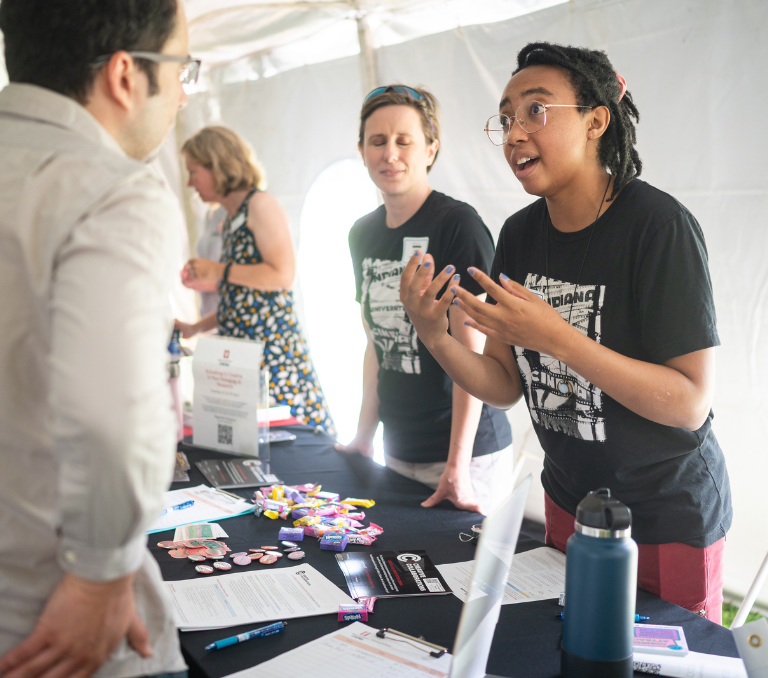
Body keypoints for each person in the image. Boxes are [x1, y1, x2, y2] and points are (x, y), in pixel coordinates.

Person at [400, 43, 731, 622]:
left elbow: (689, 404)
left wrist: (559, 339)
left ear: (596, 120)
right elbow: (504, 385)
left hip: (665, 516)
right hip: (569, 501)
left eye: (536, 110)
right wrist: (437, 337)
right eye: (505, 118)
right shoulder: (521, 234)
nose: (514, 132)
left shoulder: (659, 227)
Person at [0, 0, 193, 678]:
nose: (182, 90)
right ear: (124, 74)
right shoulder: (113, 193)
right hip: (56, 627)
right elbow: (112, 419)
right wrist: (102, 572)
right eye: (182, 65)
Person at [337, 86, 513, 515]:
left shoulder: (457, 225)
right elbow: (376, 342)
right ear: (361, 150)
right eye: (377, 141)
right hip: (397, 450)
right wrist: (364, 435)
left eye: (404, 141)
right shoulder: (362, 233)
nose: (389, 154)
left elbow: (473, 351)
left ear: (431, 149)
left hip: (467, 457)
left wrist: (457, 467)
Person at [175, 126, 333, 431]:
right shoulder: (230, 218)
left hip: (274, 358)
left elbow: (282, 275)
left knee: (301, 445)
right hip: (247, 359)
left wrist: (217, 271)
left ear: (217, 165)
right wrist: (194, 328)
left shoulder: (260, 205)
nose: (190, 182)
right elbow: (242, 299)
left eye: (194, 172)